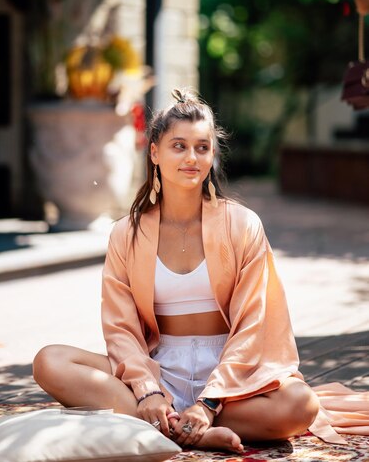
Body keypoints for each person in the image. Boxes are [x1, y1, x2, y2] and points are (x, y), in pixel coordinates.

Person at [33, 87, 321, 453]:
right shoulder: (127, 232)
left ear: (213, 153)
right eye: (179, 146)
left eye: (202, 147)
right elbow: (120, 328)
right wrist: (147, 389)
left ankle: (171, 424)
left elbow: (255, 324)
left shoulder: (242, 224)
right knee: (50, 361)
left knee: (301, 404)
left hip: (232, 378)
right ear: (155, 152)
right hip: (158, 367)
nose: (191, 158)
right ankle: (186, 427)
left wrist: (210, 401)